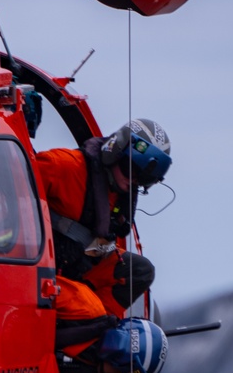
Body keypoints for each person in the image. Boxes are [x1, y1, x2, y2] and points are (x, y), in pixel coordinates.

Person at [34, 118, 172, 319]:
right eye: (130, 168)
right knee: (91, 310)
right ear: (114, 151)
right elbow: (9, 195)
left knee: (140, 270)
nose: (133, 180)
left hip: (75, 274)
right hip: (40, 276)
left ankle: (100, 326)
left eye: (143, 178)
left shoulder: (119, 194)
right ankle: (89, 322)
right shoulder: (62, 166)